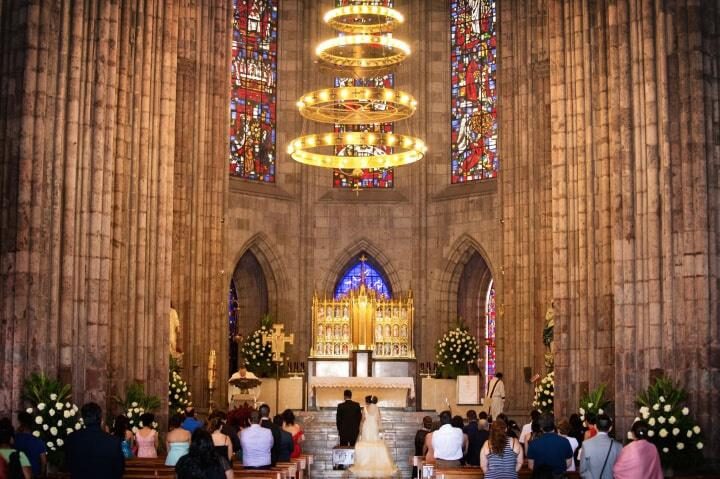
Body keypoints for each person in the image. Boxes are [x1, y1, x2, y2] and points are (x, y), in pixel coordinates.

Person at [65, 402, 125, 479]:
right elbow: (119, 471)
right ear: (101, 419)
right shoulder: (114, 441)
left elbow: (68, 466)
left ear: (83, 419)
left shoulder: (72, 438)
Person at [349, 395, 397, 478]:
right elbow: (379, 420)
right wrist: (380, 430)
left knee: (366, 444)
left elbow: (362, 420)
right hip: (374, 427)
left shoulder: (365, 408)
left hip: (366, 427)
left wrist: (360, 430)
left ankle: (365, 463)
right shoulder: (377, 409)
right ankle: (373, 464)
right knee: (374, 444)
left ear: (368, 401)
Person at [526, 413, 573, 478]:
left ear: (541, 427)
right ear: (554, 425)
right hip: (558, 476)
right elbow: (568, 463)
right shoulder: (564, 441)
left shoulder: (533, 443)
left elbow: (531, 466)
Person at [578, 414, 622, 479]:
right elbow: (620, 470)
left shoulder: (586, 444)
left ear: (595, 426)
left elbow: (583, 470)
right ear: (610, 428)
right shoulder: (618, 446)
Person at [14, 411, 47, 477]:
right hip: (34, 474)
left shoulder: (15, 440)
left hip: (17, 474)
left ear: (20, 423)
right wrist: (41, 475)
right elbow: (44, 462)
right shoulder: (38, 441)